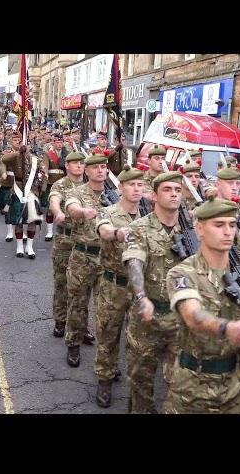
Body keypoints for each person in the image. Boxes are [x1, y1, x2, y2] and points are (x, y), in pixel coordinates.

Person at [164, 196, 240, 413]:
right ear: (200, 229)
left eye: (232, 224)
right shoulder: (182, 273)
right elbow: (193, 315)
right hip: (193, 385)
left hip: (239, 383)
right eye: (219, 225)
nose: (228, 232)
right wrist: (226, 328)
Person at [122, 171, 185, 413]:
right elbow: (134, 260)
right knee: (141, 383)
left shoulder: (191, 230)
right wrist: (141, 297)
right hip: (147, 319)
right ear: (155, 195)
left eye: (177, 190)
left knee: (178, 384)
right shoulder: (139, 228)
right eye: (167, 190)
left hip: (181, 319)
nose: (173, 195)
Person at [94, 165, 145, 407]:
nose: (136, 189)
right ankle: (104, 379)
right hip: (113, 285)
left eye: (140, 185)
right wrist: (118, 233)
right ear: (121, 187)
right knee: (108, 334)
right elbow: (103, 231)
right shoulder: (108, 212)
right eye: (132, 185)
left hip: (139, 289)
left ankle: (137, 389)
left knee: (138, 341)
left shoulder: (148, 216)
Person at [63, 154, 110, 367]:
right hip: (83, 256)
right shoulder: (77, 193)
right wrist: (83, 212)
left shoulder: (115, 195)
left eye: (103, 167)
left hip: (108, 259)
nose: (100, 170)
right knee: (77, 304)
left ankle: (107, 360)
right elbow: (71, 208)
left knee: (106, 310)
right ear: (87, 171)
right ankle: (73, 342)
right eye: (96, 167)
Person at [48, 151, 86, 338]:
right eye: (75, 163)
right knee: (62, 283)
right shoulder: (61, 184)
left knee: (83, 287)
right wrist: (58, 212)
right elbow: (54, 200)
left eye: (82, 163)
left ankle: (81, 325)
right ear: (68, 166)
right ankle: (61, 320)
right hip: (65, 241)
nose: (80, 166)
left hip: (84, 241)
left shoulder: (89, 185)